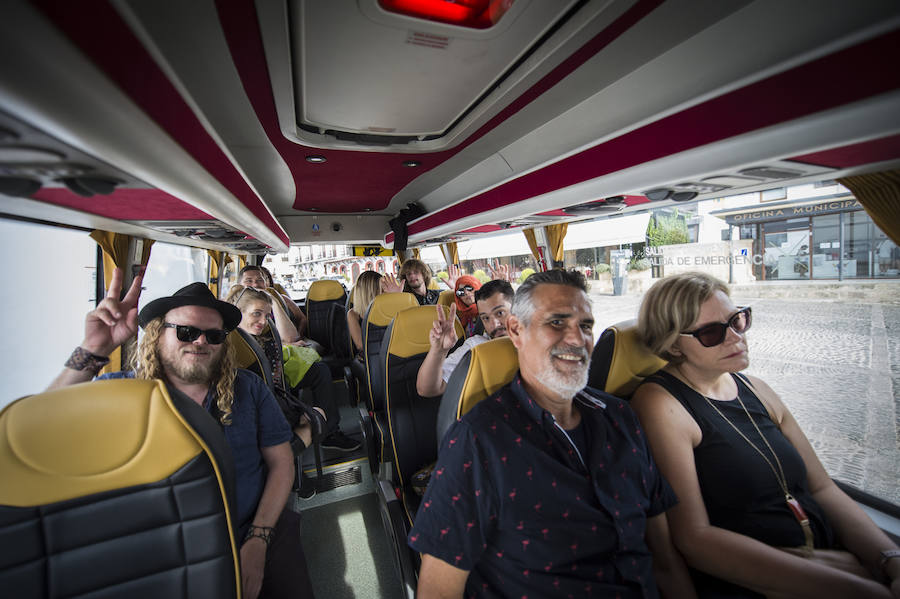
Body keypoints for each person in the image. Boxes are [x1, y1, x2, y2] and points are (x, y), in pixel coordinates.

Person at [409, 269, 695, 599]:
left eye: (585, 326)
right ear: (517, 331)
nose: (577, 339)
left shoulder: (620, 419)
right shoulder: (476, 442)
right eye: (557, 323)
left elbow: (665, 560)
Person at [47, 269, 313, 599]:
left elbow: (281, 462)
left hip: (251, 529)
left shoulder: (247, 388)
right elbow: (38, 432)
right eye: (186, 332)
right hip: (160, 549)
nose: (200, 341)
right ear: (158, 335)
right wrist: (91, 351)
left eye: (213, 336)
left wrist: (258, 539)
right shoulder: (120, 393)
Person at [631, 272, 899, 598]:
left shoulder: (757, 389)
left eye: (737, 320)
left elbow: (822, 486)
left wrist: (888, 559)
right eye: (712, 333)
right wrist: (852, 587)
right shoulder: (661, 404)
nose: (735, 337)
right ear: (673, 344)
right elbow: (694, 538)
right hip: (750, 578)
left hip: (823, 555)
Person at [227, 285, 360, 458]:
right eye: (256, 313)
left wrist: (274, 299)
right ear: (238, 310)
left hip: (277, 383)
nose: (263, 321)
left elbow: (290, 336)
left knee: (320, 371)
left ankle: (330, 433)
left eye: (267, 316)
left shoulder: (266, 331)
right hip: (260, 402)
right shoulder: (230, 343)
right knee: (312, 416)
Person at [415, 279, 513, 398]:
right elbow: (426, 389)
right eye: (486, 318)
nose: (495, 324)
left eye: (500, 313)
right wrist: (439, 351)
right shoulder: (476, 346)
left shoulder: (535, 336)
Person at [239, 265, 308, 338]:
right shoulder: (235, 303)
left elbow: (290, 338)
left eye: (260, 280)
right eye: (249, 281)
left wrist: (274, 301)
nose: (255, 284)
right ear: (239, 285)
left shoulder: (277, 298)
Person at [346, 270, 403, 355]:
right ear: (371, 292)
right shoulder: (353, 314)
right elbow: (361, 345)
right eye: (383, 290)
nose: (386, 293)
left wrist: (397, 298)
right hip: (371, 357)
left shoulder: (387, 309)